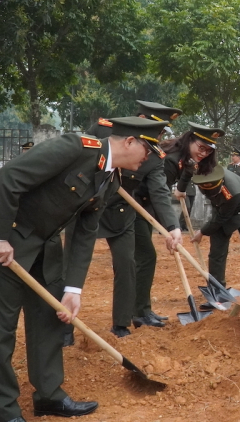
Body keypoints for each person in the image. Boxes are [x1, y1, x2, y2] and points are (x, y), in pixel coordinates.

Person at [0, 117, 167, 421]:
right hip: (10, 245)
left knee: (49, 321)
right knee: (2, 329)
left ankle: (49, 396)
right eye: (148, 150)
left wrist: (73, 289)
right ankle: (5, 409)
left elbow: (85, 234)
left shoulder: (111, 180)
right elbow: (9, 177)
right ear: (129, 142)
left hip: (45, 249)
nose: (150, 159)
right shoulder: (74, 148)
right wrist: (0, 236)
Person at [79, 113, 182, 338]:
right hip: (85, 207)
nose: (159, 136)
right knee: (73, 264)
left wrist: (173, 226)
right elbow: (81, 157)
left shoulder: (155, 157)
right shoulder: (104, 130)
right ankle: (64, 328)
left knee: (126, 264)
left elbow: (160, 192)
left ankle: (121, 324)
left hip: (120, 211)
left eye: (161, 131)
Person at [132, 121, 224, 324]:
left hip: (145, 209)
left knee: (141, 258)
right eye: (201, 147)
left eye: (208, 151)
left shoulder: (183, 158)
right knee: (145, 257)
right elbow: (158, 192)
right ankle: (139, 312)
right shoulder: (171, 159)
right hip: (134, 207)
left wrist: (181, 188)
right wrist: (171, 228)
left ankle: (141, 309)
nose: (204, 153)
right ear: (190, 139)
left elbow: (184, 173)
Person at [192, 165, 240, 302]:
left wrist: (203, 231)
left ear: (220, 184)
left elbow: (223, 218)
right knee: (217, 252)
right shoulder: (207, 173)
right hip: (221, 211)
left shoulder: (233, 191)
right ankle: (217, 292)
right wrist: (180, 189)